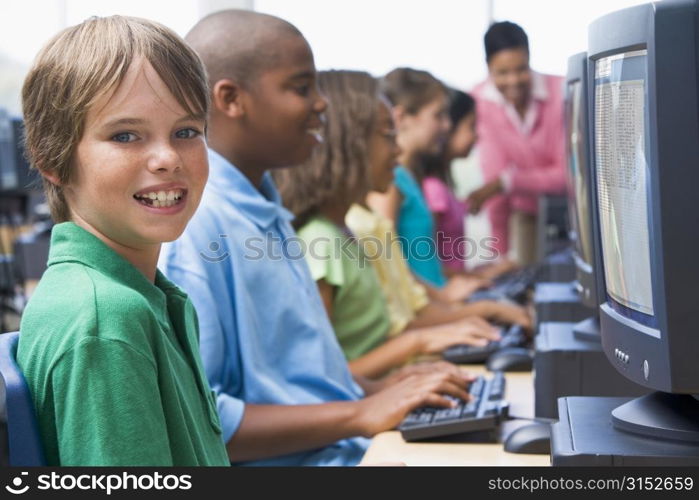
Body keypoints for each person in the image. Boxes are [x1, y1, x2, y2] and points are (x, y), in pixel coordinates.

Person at [159, 10, 473, 467]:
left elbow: (299, 378)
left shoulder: (267, 213)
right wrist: (360, 412)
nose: (322, 105)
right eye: (301, 88)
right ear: (230, 99)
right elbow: (205, 421)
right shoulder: (197, 229)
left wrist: (383, 391)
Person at [16, 16, 229, 466]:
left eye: (186, 131)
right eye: (125, 135)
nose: (168, 158)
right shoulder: (105, 321)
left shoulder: (144, 294)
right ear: (51, 158)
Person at [274, 70, 501, 378]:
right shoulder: (322, 244)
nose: (397, 149)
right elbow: (323, 376)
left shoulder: (348, 235)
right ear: (350, 146)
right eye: (386, 135)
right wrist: (416, 344)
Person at [367, 67, 487, 300]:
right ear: (401, 118)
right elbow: (385, 264)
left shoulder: (409, 178)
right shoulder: (391, 182)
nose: (446, 126)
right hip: (427, 307)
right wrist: (444, 297)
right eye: (438, 115)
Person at [468, 21, 566, 265]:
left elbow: (565, 176)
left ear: (530, 59)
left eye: (521, 69)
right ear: (488, 68)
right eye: (502, 72)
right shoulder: (480, 102)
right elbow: (494, 184)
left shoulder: (560, 92)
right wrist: (499, 254)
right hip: (524, 210)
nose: (513, 81)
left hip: (568, 207)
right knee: (523, 274)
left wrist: (508, 181)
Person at [419, 89, 516, 279]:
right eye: (471, 126)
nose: (476, 136)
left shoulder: (441, 187)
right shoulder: (434, 190)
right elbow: (427, 267)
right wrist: (480, 277)